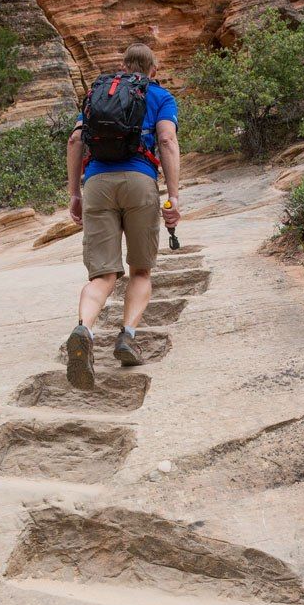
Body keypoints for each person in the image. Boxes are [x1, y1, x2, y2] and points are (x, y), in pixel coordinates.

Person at [64, 43, 181, 389]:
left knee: (103, 275)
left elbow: (75, 141)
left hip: (97, 182)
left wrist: (74, 194)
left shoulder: (99, 93)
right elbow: (167, 141)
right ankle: (127, 336)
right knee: (140, 270)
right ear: (153, 70)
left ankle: (83, 328)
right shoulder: (160, 96)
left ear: (124, 66)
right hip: (140, 182)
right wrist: (172, 197)